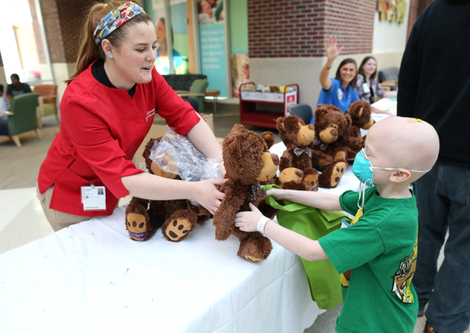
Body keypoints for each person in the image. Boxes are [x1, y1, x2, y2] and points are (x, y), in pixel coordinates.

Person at [235, 116, 440, 333]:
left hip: (375, 322)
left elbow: (312, 250)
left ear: (399, 174)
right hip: (383, 308)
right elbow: (334, 201)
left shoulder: (382, 223)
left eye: (368, 154)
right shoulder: (387, 195)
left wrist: (261, 223)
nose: (360, 156)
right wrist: (284, 192)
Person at [37, 1, 225, 231]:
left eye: (154, 46)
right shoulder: (79, 101)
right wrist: (195, 190)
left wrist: (221, 161)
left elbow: (185, 116)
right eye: (140, 49)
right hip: (71, 194)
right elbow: (124, 176)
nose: (152, 56)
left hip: (109, 190)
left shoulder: (147, 76)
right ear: (109, 49)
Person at [397, 1, 470, 332]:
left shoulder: (432, 14)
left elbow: (407, 82)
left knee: (420, 234)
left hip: (427, 151)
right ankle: (443, 325)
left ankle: (409, 303)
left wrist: (406, 146)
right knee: (463, 251)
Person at [313, 36, 359, 123]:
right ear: (339, 71)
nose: (348, 73)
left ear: (355, 72)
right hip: (322, 126)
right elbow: (323, 81)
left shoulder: (351, 89)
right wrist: (329, 61)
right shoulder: (334, 84)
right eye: (345, 69)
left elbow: (358, 105)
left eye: (351, 70)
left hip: (337, 126)